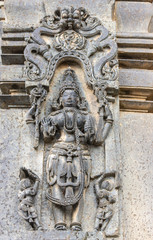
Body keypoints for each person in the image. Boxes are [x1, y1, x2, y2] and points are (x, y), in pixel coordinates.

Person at [41, 68, 113, 231]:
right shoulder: (54, 116)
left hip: (80, 153)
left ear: (78, 99)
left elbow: (95, 139)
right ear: (60, 99)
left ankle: (76, 222)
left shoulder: (85, 116)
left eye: (73, 95)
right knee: (55, 185)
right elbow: (47, 137)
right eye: (66, 95)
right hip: (58, 152)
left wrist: (102, 120)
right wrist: (47, 128)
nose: (69, 98)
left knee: (80, 187)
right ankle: (59, 222)